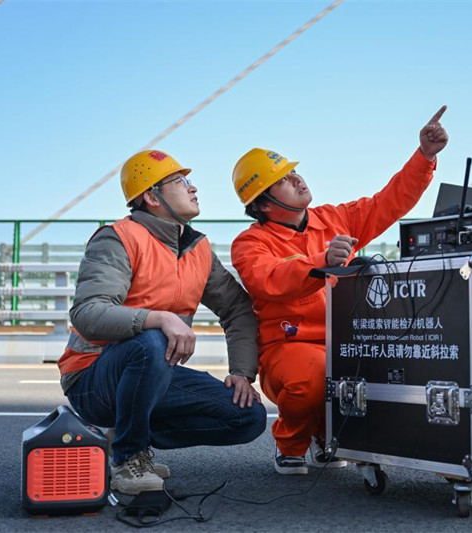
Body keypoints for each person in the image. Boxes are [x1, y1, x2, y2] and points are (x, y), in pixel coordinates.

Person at [230, 106, 449, 474]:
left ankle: (334, 436)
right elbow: (268, 279)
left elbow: (387, 203)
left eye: (295, 172)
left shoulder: (334, 218)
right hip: (289, 348)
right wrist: (322, 260)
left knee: (397, 367)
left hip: (347, 340)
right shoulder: (249, 242)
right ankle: (292, 443)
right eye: (285, 179)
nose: (299, 180)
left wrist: (425, 156)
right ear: (263, 203)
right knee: (313, 377)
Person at [58, 149, 266, 495]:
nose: (193, 187)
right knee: (152, 340)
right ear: (151, 196)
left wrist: (242, 373)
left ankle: (125, 436)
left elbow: (238, 309)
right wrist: (159, 318)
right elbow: (88, 313)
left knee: (248, 416)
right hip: (93, 380)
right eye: (180, 181)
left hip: (151, 375)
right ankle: (129, 458)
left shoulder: (196, 248)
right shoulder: (118, 238)